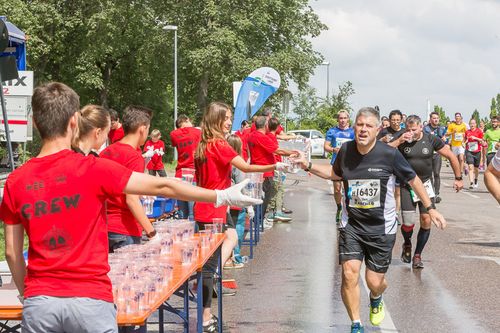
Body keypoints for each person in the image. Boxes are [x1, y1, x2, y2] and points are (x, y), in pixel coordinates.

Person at [1, 82, 261, 333]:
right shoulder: (92, 168)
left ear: (34, 123)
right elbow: (163, 187)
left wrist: (29, 295)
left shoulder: (16, 181)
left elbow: (13, 252)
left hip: (41, 301)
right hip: (90, 299)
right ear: (73, 122)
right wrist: (220, 196)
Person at [292, 107, 446, 333]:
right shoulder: (346, 150)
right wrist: (308, 165)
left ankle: (376, 296)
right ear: (354, 127)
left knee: (374, 281)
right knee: (349, 274)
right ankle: (356, 323)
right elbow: (335, 174)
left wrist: (430, 208)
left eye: (368, 126)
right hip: (351, 225)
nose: (363, 129)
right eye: (359, 124)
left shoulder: (389, 154)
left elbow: (413, 181)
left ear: (377, 129)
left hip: (381, 228)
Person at [194, 102, 286, 332]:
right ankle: (205, 319)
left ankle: (206, 306)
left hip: (205, 206)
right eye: (227, 118)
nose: (229, 122)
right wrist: (276, 164)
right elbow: (245, 166)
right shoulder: (219, 145)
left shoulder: (203, 144)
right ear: (217, 119)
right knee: (208, 266)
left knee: (226, 242)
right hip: (214, 210)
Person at [390, 115, 462, 268]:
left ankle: (417, 255)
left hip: (425, 185)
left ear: (420, 128)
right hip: (406, 185)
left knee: (426, 220)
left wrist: (458, 177)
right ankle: (407, 243)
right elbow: (385, 150)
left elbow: (450, 155)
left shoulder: (431, 139)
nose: (411, 132)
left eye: (414, 130)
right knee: (408, 223)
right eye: (408, 129)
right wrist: (400, 140)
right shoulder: (401, 137)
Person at [100, 106, 158, 252]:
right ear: (142, 128)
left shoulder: (106, 152)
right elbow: (131, 199)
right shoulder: (134, 157)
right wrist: (152, 233)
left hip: (103, 227)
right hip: (125, 230)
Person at [247, 116, 294, 226]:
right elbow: (278, 150)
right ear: (265, 125)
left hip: (258, 170)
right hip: (264, 172)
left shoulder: (251, 136)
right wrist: (294, 152)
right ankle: (259, 221)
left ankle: (259, 220)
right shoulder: (261, 137)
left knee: (261, 196)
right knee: (265, 197)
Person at [324, 110, 355, 223]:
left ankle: (349, 210)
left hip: (350, 164)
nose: (342, 120)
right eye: (340, 118)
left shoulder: (353, 132)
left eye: (345, 118)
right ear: (338, 119)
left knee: (348, 190)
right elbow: (326, 146)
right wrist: (333, 149)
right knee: (337, 189)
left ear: (348, 119)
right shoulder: (332, 131)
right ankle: (339, 208)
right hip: (336, 163)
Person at [170, 115, 202, 219]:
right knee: (193, 212)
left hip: (180, 174)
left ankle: (182, 234)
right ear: (187, 120)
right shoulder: (197, 132)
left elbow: (174, 143)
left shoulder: (174, 134)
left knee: (182, 212)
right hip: (193, 174)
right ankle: (193, 235)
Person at [267, 117, 292, 223]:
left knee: (277, 188)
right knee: (277, 188)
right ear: (277, 127)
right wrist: (292, 152)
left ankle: (275, 211)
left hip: (275, 166)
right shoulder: (271, 137)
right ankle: (274, 212)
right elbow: (277, 151)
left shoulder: (270, 136)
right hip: (276, 166)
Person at [423, 112, 447, 203]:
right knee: (429, 174)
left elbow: (445, 140)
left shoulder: (441, 128)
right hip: (428, 154)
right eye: (434, 118)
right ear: (430, 119)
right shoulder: (426, 129)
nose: (436, 120)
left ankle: (436, 193)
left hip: (437, 154)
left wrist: (445, 139)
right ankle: (431, 193)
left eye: (437, 118)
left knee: (436, 173)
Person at [464, 119, 484, 189]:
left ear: (476, 124)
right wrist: (465, 142)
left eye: (473, 123)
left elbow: (482, 140)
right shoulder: (467, 132)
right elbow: (465, 140)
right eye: (471, 124)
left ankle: (476, 180)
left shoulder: (479, 131)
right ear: (469, 124)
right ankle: (471, 182)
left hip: (477, 151)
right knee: (470, 167)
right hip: (469, 151)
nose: (472, 125)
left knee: (476, 168)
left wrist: (475, 138)